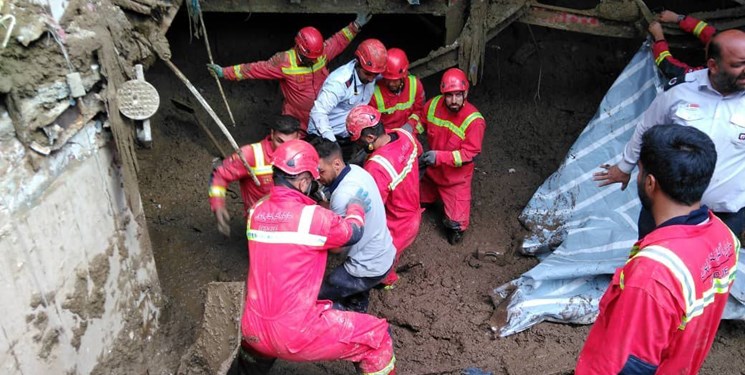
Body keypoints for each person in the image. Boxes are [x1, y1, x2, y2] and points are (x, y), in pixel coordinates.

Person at [576, 124, 740, 374]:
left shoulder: (652, 276)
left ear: (650, 183)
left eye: (640, 171)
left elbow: (627, 365)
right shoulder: (724, 237)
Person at [239, 139, 396, 374]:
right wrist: (355, 207)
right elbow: (352, 232)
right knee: (378, 337)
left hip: (251, 328)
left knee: (255, 356)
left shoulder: (256, 211)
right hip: (294, 332)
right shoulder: (313, 218)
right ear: (303, 182)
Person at [594, 29, 745, 239]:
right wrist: (625, 166)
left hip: (725, 216)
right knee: (653, 261)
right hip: (666, 208)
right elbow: (647, 127)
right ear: (713, 65)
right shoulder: (680, 90)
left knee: (711, 269)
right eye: (739, 65)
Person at [206, 13, 371, 131]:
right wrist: (224, 72)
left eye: (316, 58)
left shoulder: (320, 53)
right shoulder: (283, 62)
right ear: (299, 49)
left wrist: (356, 26)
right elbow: (253, 69)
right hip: (296, 120)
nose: (314, 61)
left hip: (323, 114)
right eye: (310, 59)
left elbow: (338, 40)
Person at [312, 139, 396, 311]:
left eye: (321, 171)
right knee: (353, 289)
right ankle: (358, 303)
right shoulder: (357, 171)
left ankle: (350, 314)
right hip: (384, 252)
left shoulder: (342, 194)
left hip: (366, 266)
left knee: (319, 295)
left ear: (336, 164)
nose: (318, 178)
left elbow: (337, 248)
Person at [346, 105, 423, 287]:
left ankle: (386, 281)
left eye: (359, 141)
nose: (359, 145)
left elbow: (373, 207)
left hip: (396, 223)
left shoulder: (376, 167)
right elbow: (418, 150)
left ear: (370, 137)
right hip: (412, 213)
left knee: (381, 257)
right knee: (394, 252)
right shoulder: (403, 135)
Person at [418, 68, 486, 245]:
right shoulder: (433, 105)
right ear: (442, 94)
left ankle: (454, 225)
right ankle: (430, 200)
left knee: (455, 226)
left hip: (455, 179)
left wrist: (439, 157)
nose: (454, 100)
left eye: (458, 95)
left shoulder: (474, 121)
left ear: (466, 93)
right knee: (415, 200)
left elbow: (469, 153)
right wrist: (407, 134)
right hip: (432, 173)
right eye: (449, 95)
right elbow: (420, 124)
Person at [208, 116, 301, 236]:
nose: (284, 148)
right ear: (272, 134)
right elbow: (220, 176)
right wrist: (218, 204)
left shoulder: (302, 152)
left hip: (292, 221)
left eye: (290, 143)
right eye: (279, 141)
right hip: (261, 225)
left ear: (298, 138)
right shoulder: (250, 155)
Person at [307, 38, 387, 160]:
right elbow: (318, 112)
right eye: (368, 74)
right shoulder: (339, 82)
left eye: (375, 75)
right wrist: (332, 143)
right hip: (324, 136)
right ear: (358, 63)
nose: (371, 79)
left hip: (349, 137)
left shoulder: (372, 73)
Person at [367, 48, 425, 132]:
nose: (391, 84)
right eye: (387, 79)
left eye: (395, 80)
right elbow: (371, 123)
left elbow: (420, 110)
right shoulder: (374, 94)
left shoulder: (415, 85)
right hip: (386, 135)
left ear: (403, 75)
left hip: (408, 132)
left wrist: (410, 125)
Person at [648, 10, 716, 79]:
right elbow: (709, 33)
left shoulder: (702, 76)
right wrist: (678, 18)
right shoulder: (724, 47)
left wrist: (659, 38)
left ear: (712, 64)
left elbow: (670, 68)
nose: (705, 48)